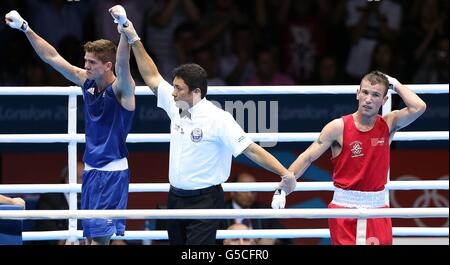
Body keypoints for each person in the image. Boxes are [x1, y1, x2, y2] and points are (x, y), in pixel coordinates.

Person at [109, 6, 295, 245]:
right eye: (174, 87)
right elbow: (153, 77)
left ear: (196, 92)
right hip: (175, 196)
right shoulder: (176, 103)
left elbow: (251, 149)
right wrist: (133, 37)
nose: (173, 92)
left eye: (179, 88)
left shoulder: (218, 118)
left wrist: (284, 173)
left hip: (205, 200)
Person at [5, 7, 136, 245]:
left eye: (92, 62)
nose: (85, 66)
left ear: (107, 65)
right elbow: (52, 57)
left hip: (112, 174)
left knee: (99, 242)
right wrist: (25, 27)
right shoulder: (87, 82)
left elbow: (124, 63)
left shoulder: (122, 90)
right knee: (91, 240)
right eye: (85, 60)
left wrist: (124, 26)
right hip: (91, 172)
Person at [272, 70, 427, 245]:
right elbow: (307, 157)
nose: (368, 99)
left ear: (384, 100)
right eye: (365, 92)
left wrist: (395, 83)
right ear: (357, 94)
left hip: (378, 208)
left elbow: (418, 107)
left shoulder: (388, 123)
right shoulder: (338, 127)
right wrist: (282, 188)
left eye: (375, 95)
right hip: (344, 207)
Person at [221, 172, 291, 245]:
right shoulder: (220, 211)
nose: (249, 195)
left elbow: (284, 238)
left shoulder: (265, 210)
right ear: (232, 192)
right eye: (244, 190)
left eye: (253, 191)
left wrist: (272, 239)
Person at [33, 163, 84, 245]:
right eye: (81, 178)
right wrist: (63, 241)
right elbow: (46, 226)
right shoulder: (49, 198)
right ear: (68, 179)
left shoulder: (93, 199)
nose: (86, 183)